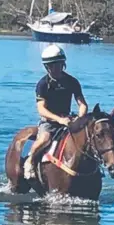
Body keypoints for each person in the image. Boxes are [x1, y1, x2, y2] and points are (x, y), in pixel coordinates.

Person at [24, 44, 88, 179]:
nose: (56, 68)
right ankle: (29, 161)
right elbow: (41, 109)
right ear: (47, 67)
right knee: (44, 138)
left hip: (69, 121)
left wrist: (80, 118)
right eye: (52, 65)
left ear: (63, 64)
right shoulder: (43, 84)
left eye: (58, 65)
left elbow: (82, 104)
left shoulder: (72, 81)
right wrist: (59, 119)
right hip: (50, 122)